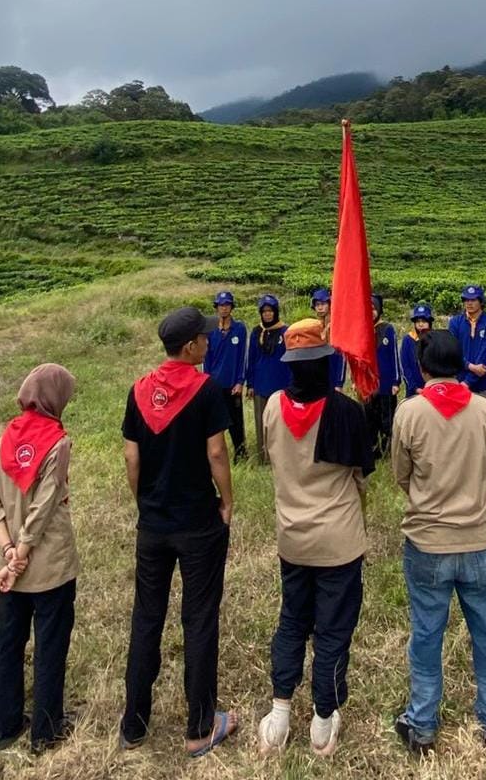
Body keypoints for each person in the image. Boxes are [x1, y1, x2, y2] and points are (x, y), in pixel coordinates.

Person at [119, 306, 238, 757]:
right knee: (200, 618)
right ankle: (200, 727)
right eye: (204, 339)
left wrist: (144, 503)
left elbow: (132, 458)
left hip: (154, 524)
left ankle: (134, 723)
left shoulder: (139, 389)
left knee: (146, 617)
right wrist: (226, 502)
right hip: (197, 524)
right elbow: (216, 454)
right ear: (189, 347)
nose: (209, 342)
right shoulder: (205, 390)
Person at [391, 330, 486, 755]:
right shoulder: (484, 411)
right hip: (479, 538)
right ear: (462, 364)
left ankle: (422, 723)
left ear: (422, 367)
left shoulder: (409, 413)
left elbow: (400, 475)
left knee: (426, 634)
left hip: (427, 542)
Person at [257, 318, 373, 757]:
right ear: (325, 361)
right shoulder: (345, 411)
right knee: (333, 630)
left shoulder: (271, 408)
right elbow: (361, 476)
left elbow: (273, 457)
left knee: (292, 622)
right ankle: (323, 722)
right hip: (339, 542)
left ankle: (280, 715)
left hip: (293, 537)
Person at [0, 363, 79, 754]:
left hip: (11, 568)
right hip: (49, 563)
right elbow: (44, 506)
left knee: (7, 641)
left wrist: (7, 552)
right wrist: (20, 554)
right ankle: (46, 730)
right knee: (50, 644)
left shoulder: (5, 436)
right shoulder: (58, 441)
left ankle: (3, 727)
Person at [246, 293, 292, 464]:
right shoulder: (257, 331)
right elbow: (251, 359)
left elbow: (291, 358)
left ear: (276, 312)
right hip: (260, 384)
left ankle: (281, 457)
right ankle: (263, 457)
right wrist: (250, 383)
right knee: (261, 422)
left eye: (270, 311)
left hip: (281, 384)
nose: (267, 314)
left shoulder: (285, 331)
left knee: (280, 423)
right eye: (264, 311)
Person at [204, 290, 248, 459]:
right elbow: (206, 358)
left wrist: (240, 381)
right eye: (221, 305)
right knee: (214, 422)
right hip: (214, 384)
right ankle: (215, 453)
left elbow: (242, 357)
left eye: (227, 305)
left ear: (231, 307)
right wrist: (206, 381)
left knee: (236, 421)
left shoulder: (239, 329)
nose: (224, 308)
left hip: (232, 385)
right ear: (216, 307)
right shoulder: (210, 331)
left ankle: (241, 453)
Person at [448, 284, 486, 409]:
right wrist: (470, 367)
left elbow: (485, 356)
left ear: (481, 301)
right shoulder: (455, 322)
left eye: (473, 300)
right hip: (460, 380)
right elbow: (453, 352)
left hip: (485, 383)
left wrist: (468, 382)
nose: (469, 303)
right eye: (466, 300)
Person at [364, 293, 401, 459]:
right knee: (369, 419)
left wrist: (396, 381)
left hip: (386, 383)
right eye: (368, 308)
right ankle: (373, 450)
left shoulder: (387, 328)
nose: (371, 311)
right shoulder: (362, 329)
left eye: (374, 308)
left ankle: (387, 451)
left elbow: (394, 355)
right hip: (367, 384)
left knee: (387, 419)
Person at [311, 288, 346, 392]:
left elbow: (342, 356)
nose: (320, 307)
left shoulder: (336, 326)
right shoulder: (314, 326)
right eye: (317, 305)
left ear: (329, 304)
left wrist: (339, 382)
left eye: (323, 304)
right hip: (317, 377)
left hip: (333, 375)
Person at [400, 303, 433, 399]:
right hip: (413, 390)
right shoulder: (408, 339)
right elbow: (405, 366)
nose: (421, 324)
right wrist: (415, 388)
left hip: (432, 389)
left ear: (430, 322)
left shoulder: (435, 338)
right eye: (418, 321)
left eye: (424, 321)